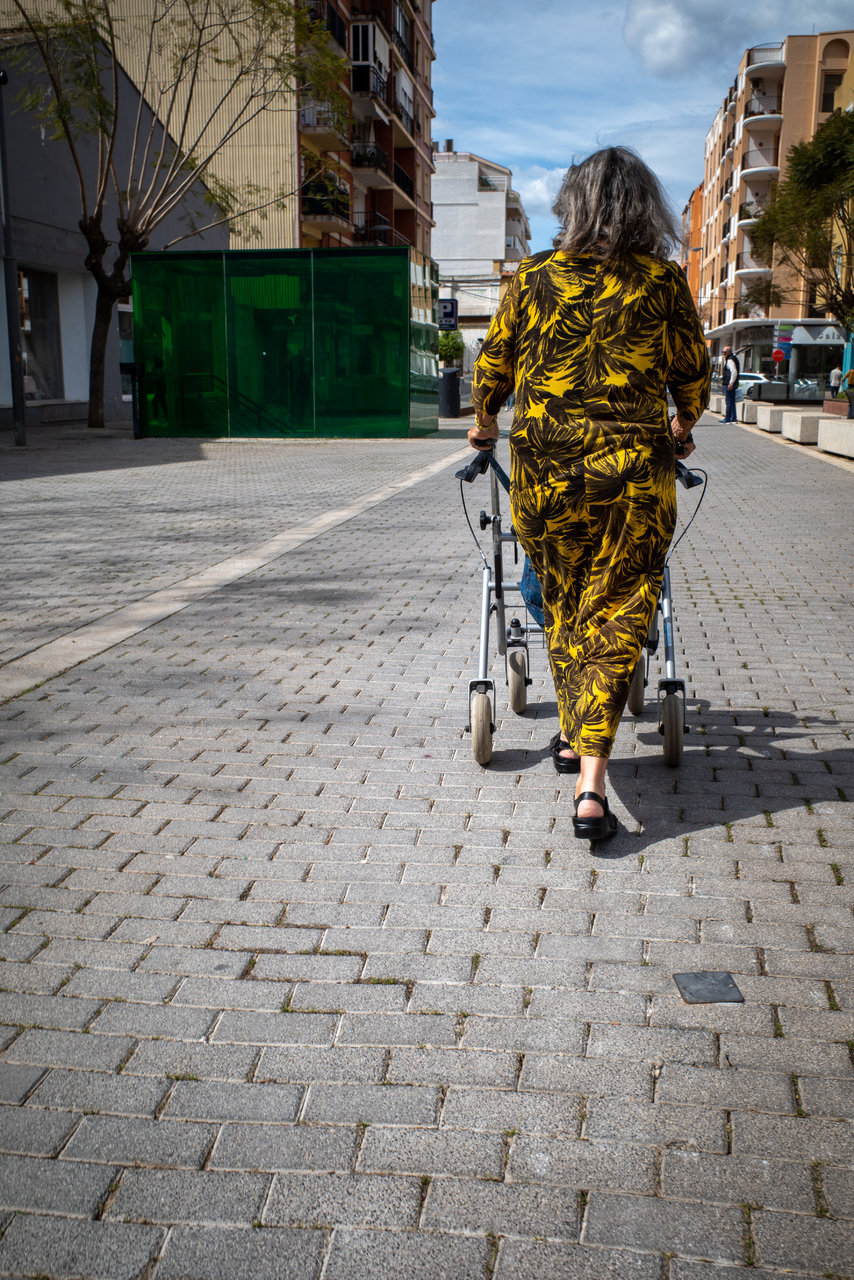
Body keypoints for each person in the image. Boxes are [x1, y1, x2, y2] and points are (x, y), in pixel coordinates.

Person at [467, 146, 710, 842]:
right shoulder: (662, 283)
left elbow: (494, 364)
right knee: (623, 608)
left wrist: (485, 424)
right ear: (643, 207)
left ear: (574, 204)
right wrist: (682, 426)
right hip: (632, 473)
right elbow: (691, 378)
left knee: (568, 606)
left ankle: (576, 742)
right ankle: (591, 786)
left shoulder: (536, 275)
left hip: (545, 471)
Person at [720, 345, 740, 423]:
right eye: (723, 352)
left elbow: (734, 372)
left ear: (729, 352)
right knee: (732, 400)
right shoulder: (732, 359)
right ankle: (733, 417)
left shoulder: (730, 360)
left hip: (729, 383)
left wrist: (730, 383)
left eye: (725, 352)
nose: (723, 353)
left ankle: (728, 418)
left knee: (728, 401)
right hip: (731, 383)